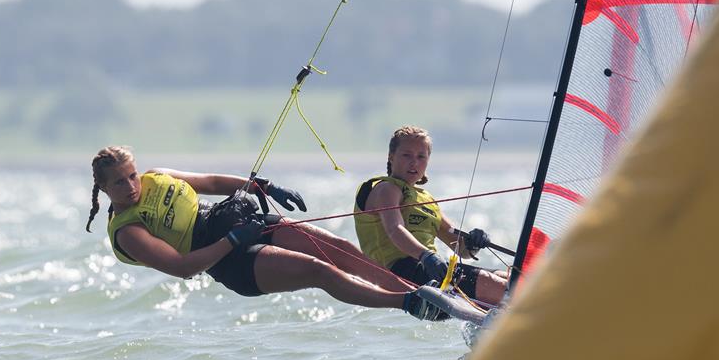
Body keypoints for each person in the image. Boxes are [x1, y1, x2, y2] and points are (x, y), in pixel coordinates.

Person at [85, 146, 447, 320]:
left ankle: (421, 292)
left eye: (131, 175)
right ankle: (410, 304)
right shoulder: (128, 231)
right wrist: (233, 241)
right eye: (119, 182)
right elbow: (183, 267)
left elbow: (211, 182)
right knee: (320, 271)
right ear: (103, 189)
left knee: (336, 247)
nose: (131, 185)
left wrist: (264, 188)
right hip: (229, 261)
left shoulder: (156, 176)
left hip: (235, 222)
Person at [354, 126, 508, 305]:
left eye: (421, 157)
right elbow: (395, 229)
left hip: (431, 271)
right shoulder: (386, 189)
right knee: (502, 288)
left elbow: (461, 249)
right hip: (402, 275)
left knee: (512, 280)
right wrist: (426, 256)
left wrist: (474, 243)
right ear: (391, 156)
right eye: (407, 155)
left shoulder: (426, 200)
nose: (414, 163)